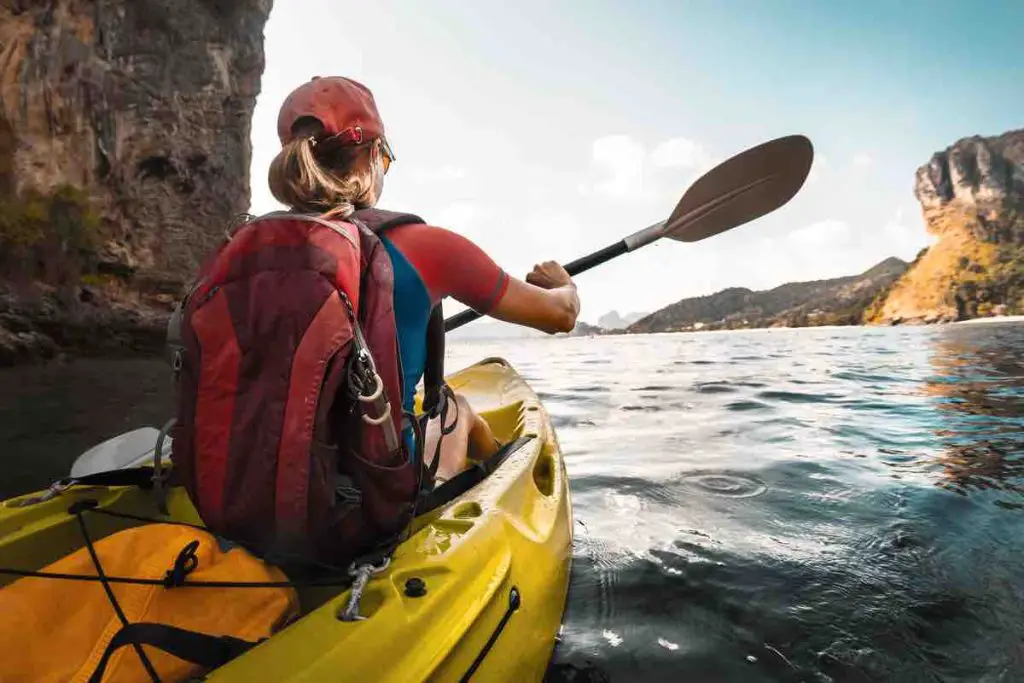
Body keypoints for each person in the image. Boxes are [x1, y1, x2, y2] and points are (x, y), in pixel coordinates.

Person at [267, 76, 580, 486]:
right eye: (385, 159)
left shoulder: (247, 248)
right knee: (455, 408)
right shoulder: (425, 248)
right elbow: (560, 316)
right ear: (372, 156)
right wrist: (563, 283)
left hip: (259, 487)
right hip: (370, 499)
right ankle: (500, 488)